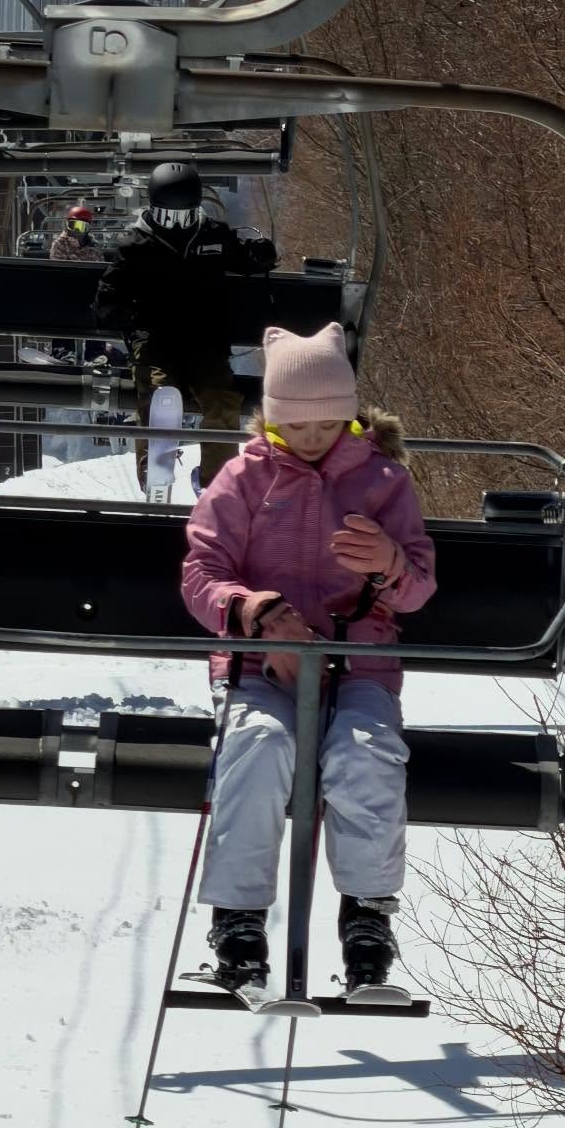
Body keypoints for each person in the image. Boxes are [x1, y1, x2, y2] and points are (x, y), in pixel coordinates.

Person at [182, 320, 437, 997]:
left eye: (328, 425)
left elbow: (418, 587)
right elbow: (202, 572)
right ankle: (238, 921)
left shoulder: (383, 482)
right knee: (257, 747)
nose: (312, 439)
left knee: (365, 753)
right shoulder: (243, 480)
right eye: (296, 426)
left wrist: (387, 565)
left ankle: (368, 918)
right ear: (272, 419)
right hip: (263, 664)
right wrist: (253, 612)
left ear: (350, 417)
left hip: (358, 664)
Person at [94, 160, 275, 493]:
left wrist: (259, 255)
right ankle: (154, 467)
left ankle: (216, 482)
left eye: (184, 216)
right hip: (156, 342)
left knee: (221, 399)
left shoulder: (213, 237)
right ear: (154, 211)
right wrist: (124, 318)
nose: (177, 225)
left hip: (205, 344)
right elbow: (108, 295)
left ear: (197, 210)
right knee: (158, 391)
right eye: (168, 217)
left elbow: (242, 256)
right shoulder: (135, 246)